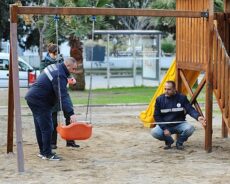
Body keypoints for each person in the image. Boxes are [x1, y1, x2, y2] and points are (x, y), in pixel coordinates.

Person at [25, 57, 81, 160]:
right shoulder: (59, 75)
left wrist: (67, 80)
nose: (74, 71)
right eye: (73, 69)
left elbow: (54, 81)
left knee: (40, 127)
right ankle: (47, 154)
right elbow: (62, 96)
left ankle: (43, 152)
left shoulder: (57, 68)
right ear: (67, 66)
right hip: (40, 100)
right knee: (47, 128)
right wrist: (71, 113)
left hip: (32, 97)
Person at [40, 44, 80, 149]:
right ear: (49, 53)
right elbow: (45, 78)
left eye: (57, 53)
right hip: (52, 94)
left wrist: (71, 80)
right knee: (53, 119)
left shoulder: (62, 61)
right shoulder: (44, 63)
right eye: (54, 53)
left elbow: (67, 73)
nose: (55, 55)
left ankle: (70, 141)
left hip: (62, 92)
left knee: (69, 115)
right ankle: (53, 143)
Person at [151, 80, 206, 150]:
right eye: (165, 89)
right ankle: (169, 141)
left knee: (190, 129)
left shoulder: (182, 97)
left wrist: (198, 117)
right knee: (154, 132)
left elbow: (190, 109)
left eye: (169, 89)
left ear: (174, 89)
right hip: (166, 126)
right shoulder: (159, 99)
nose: (166, 91)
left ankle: (179, 142)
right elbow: (156, 116)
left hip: (180, 124)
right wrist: (164, 129)